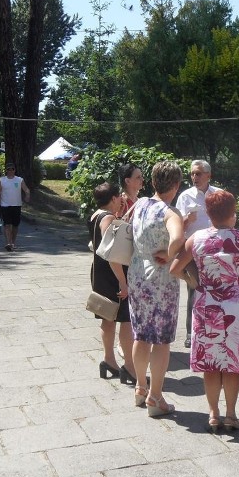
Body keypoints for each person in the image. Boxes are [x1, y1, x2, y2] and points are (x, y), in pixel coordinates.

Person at [171, 190, 239, 432]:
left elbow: (174, 269)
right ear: (233, 213)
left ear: (209, 214)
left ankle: (213, 414)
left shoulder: (197, 239)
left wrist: (193, 282)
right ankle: (231, 415)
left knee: (210, 363)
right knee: (232, 362)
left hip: (207, 304)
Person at [128, 161, 184, 417]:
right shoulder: (170, 213)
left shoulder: (139, 204)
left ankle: (140, 388)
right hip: (160, 281)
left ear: (152, 182)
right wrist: (169, 253)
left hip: (137, 275)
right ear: (176, 185)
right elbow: (178, 239)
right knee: (161, 339)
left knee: (141, 334)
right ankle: (155, 398)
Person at [88, 182, 136, 385]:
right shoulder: (107, 218)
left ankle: (108, 359)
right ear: (114, 198)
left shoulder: (95, 215)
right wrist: (123, 283)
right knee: (125, 320)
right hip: (113, 274)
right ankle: (130, 367)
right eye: (119, 198)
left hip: (99, 271)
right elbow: (112, 254)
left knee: (107, 317)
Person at [175, 159, 220, 348]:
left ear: (208, 175)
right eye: (193, 173)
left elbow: (230, 218)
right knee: (194, 290)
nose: (195, 177)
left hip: (215, 250)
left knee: (215, 290)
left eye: (199, 173)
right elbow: (176, 227)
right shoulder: (185, 197)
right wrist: (187, 219)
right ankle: (190, 332)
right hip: (192, 251)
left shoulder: (219, 195)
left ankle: (213, 328)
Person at [0, 163, 30, 251]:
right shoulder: (2, 180)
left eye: (12, 169)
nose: (10, 171)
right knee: (7, 224)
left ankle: (13, 242)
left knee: (15, 225)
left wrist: (27, 195)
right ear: (6, 170)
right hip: (5, 205)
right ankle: (8, 242)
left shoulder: (19, 180)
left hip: (17, 205)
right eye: (8, 169)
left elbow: (26, 189)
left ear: (15, 170)